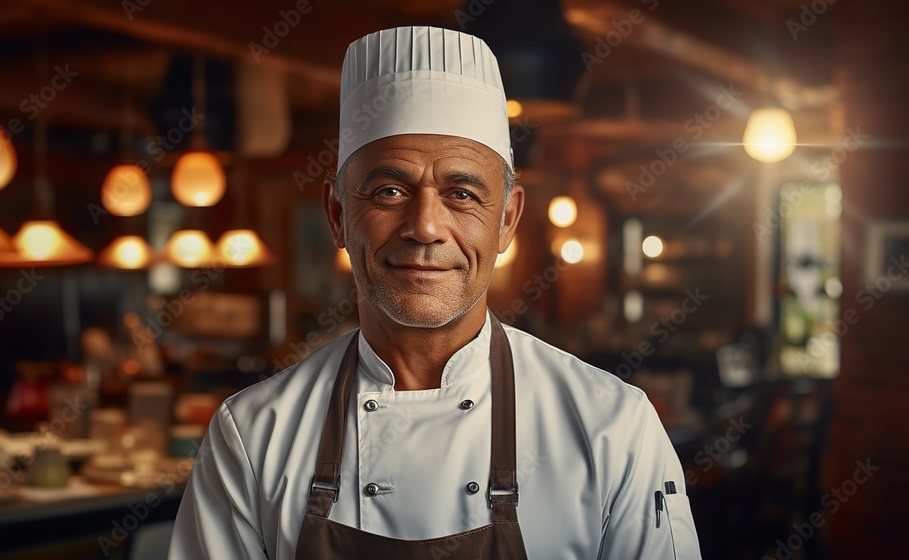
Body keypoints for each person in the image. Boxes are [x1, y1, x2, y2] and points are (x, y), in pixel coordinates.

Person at [169, 26, 702, 559]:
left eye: (462, 194)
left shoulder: (611, 427)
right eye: (390, 191)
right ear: (337, 215)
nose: (425, 227)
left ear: (507, 220)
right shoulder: (254, 434)